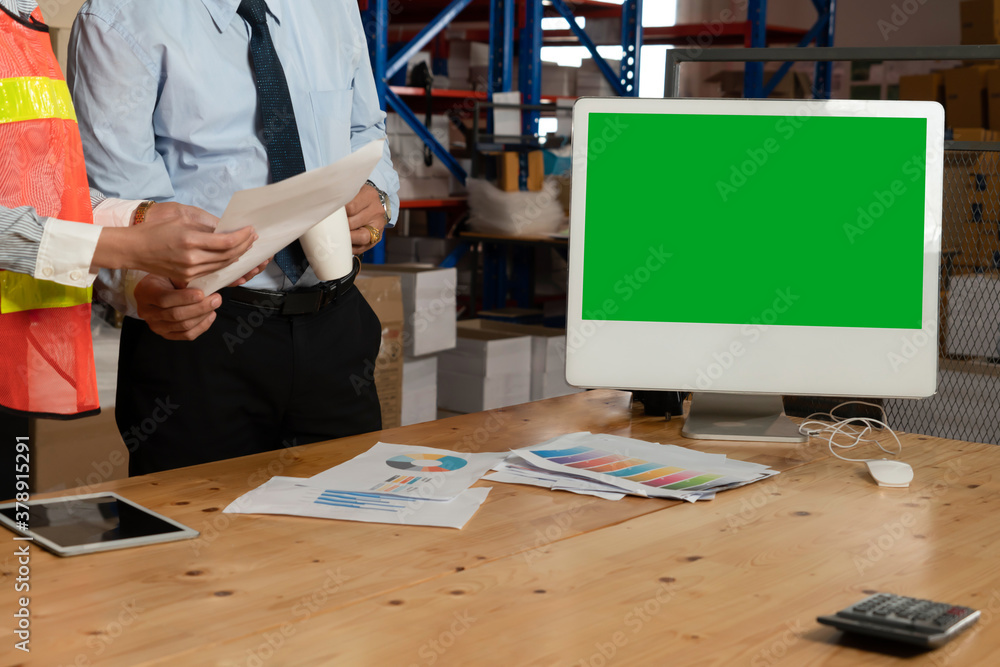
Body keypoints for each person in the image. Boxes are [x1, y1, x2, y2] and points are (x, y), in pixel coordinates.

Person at [68, 0, 401, 474]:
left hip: (335, 325)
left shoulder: (332, 6)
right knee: (192, 537)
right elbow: (110, 201)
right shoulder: (120, 16)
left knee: (348, 534)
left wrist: (379, 195)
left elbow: (366, 129)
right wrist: (139, 286)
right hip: (201, 336)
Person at [0, 0, 260, 498]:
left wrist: (147, 216)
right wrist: (126, 246)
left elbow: (45, 193)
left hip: (11, 361)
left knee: (13, 559)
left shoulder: (25, 30)